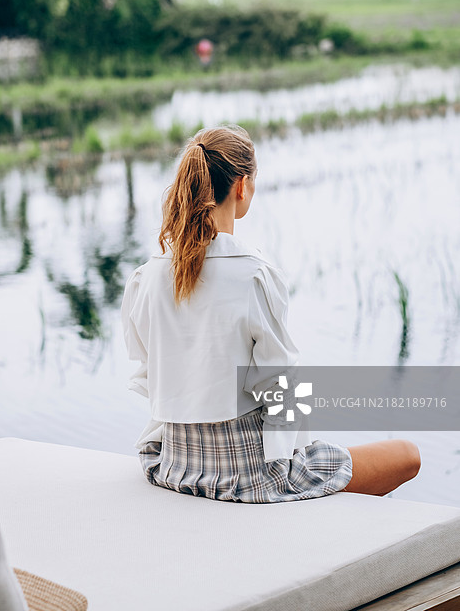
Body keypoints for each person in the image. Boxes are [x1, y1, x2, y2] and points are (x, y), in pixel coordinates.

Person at [121, 124, 421, 503]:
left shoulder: (145, 276)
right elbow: (282, 389)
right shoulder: (253, 273)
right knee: (407, 455)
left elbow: (151, 378)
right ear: (242, 186)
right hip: (248, 476)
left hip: (175, 466)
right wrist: (301, 456)